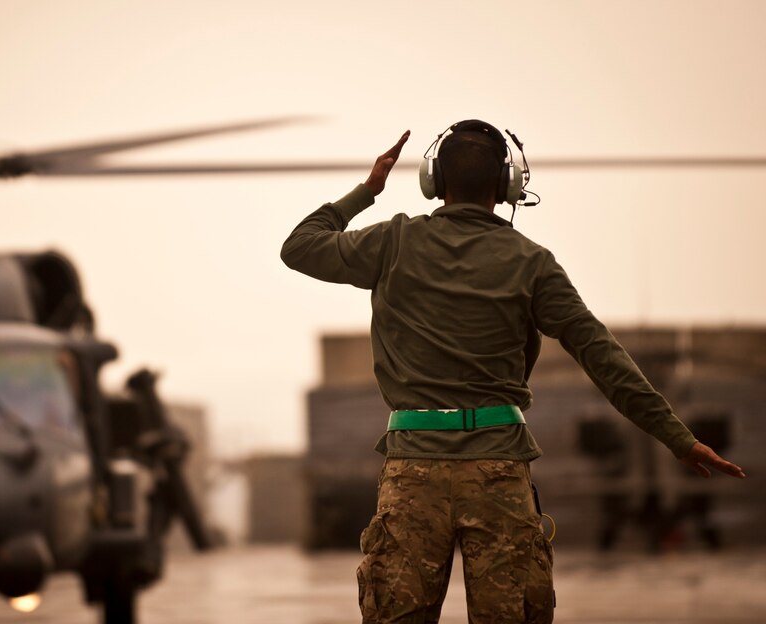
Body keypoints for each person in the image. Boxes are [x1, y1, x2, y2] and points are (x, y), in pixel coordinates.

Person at [279, 120, 746, 624]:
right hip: (498, 472)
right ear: (508, 185)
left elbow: (299, 246)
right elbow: (603, 357)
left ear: (433, 180)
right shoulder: (532, 263)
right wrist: (678, 438)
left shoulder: (393, 242)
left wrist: (366, 192)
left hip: (413, 471)